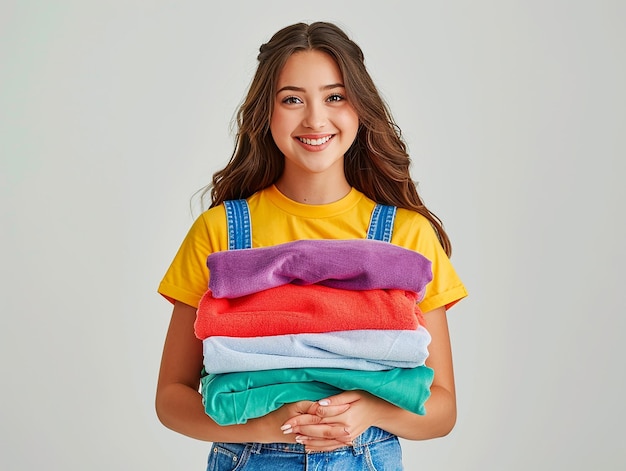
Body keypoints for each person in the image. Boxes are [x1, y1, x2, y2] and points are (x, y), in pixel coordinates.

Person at [156, 21, 467, 470]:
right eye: (292, 99)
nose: (315, 119)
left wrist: (372, 410)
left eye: (335, 96)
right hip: (250, 456)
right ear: (267, 113)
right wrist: (263, 426)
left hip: (366, 456)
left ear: (360, 109)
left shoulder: (405, 235)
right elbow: (171, 397)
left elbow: (442, 410)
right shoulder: (222, 231)